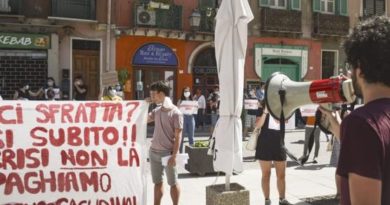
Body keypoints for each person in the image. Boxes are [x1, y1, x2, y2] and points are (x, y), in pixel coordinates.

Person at [320, 16, 390, 205]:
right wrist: (339, 127)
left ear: (359, 69)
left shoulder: (362, 123)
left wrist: (351, 127)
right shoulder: (366, 125)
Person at [146, 81, 183, 205]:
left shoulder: (176, 113)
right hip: (153, 152)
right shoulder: (156, 111)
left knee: (173, 182)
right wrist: (143, 105)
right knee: (157, 182)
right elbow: (144, 120)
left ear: (161, 94)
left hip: (167, 154)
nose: (152, 97)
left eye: (153, 94)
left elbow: (178, 136)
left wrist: (174, 155)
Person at [254, 101, 291, 205]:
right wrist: (265, 111)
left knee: (281, 175)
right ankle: (267, 200)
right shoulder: (262, 107)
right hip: (264, 144)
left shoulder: (283, 107)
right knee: (266, 174)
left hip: (279, 143)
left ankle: (282, 199)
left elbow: (286, 121)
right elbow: (257, 125)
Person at [177, 86, 195, 152]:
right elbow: (177, 110)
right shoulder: (180, 100)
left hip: (191, 118)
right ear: (183, 92)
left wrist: (196, 107)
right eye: (185, 91)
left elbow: (195, 110)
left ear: (190, 92)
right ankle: (180, 152)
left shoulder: (192, 100)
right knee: (181, 137)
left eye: (188, 91)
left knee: (191, 136)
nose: (186, 92)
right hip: (183, 118)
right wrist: (179, 106)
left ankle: (192, 153)